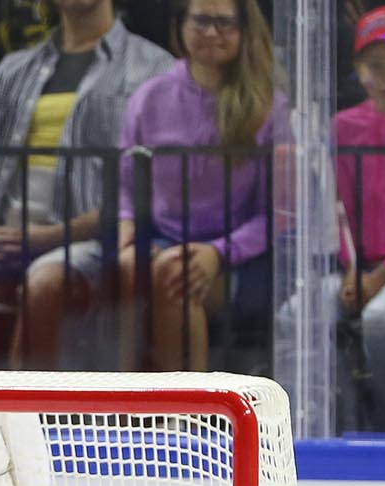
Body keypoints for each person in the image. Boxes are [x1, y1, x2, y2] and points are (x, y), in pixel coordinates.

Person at [0, 0, 172, 370]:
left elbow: (149, 191)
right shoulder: (13, 69)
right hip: (3, 238)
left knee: (45, 284)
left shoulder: (155, 69)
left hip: (95, 242)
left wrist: (47, 238)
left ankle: (25, 420)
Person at [115, 0, 284, 372]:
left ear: (245, 30)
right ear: (182, 26)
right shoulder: (148, 97)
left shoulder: (271, 107)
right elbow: (127, 185)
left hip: (244, 256)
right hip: (164, 238)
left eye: (224, 23)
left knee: (173, 273)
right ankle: (127, 404)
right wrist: (127, 228)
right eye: (201, 21)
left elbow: (279, 216)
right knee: (129, 265)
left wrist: (219, 252)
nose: (211, 32)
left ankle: (190, 413)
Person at [333, 6, 385, 424]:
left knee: (382, 319)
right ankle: (333, 428)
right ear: (357, 68)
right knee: (298, 313)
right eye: (375, 66)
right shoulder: (342, 127)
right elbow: (337, 208)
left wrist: (382, 274)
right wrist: (351, 270)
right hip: (358, 267)